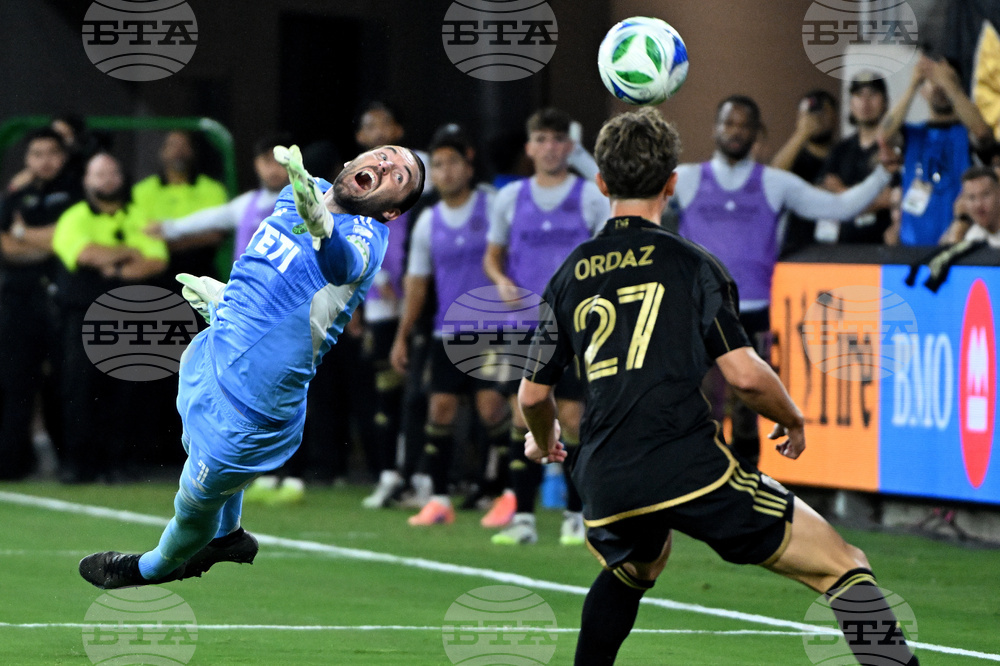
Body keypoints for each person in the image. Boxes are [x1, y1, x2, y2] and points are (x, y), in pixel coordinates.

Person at [519, 106, 918, 666]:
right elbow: (745, 376)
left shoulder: (570, 272)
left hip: (605, 476)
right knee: (844, 564)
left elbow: (533, 395)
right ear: (673, 183)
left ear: (602, 183)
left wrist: (543, 437)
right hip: (686, 465)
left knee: (636, 567)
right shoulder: (692, 265)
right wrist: (792, 417)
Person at [78, 142, 425, 589]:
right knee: (195, 443)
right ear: (352, 162)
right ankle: (229, 537)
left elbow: (338, 264)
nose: (387, 164)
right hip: (217, 353)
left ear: (392, 212)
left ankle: (150, 568)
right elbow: (265, 271)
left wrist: (321, 225)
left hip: (254, 406)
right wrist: (226, 300)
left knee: (193, 502)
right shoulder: (296, 193)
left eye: (400, 175)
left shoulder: (366, 237)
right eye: (387, 154)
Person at [674, 94, 892, 465]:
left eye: (744, 125)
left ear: (757, 133)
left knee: (746, 413)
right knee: (702, 410)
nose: (735, 132)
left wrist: (884, 174)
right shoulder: (688, 179)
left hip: (753, 314)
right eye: (729, 123)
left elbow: (839, 207)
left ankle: (744, 499)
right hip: (698, 312)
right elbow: (631, 196)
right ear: (715, 128)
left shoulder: (775, 183)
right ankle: (701, 495)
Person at [482, 107, 609, 545]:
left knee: (572, 417)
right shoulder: (510, 198)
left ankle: (577, 516)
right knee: (523, 416)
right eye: (542, 139)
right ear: (529, 147)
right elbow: (492, 255)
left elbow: (605, 254)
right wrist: (500, 283)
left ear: (570, 147)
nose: (550, 147)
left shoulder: (591, 196)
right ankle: (523, 519)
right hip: (525, 324)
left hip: (578, 326)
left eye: (558, 139)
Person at [387, 124, 510, 522]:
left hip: (492, 328)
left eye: (452, 162)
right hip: (447, 331)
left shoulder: (491, 207)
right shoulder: (428, 221)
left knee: (491, 408)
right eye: (437, 165)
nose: (445, 172)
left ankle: (502, 491)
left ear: (468, 166)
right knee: (439, 409)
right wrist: (402, 336)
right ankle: (439, 499)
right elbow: (417, 284)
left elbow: (513, 258)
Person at [51, 152, 169, 483]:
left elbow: (156, 260)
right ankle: (78, 463)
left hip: (131, 312)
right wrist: (130, 253)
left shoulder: (141, 215)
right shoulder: (73, 216)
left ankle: (120, 462)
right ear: (87, 180)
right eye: (99, 174)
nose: (108, 179)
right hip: (83, 314)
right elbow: (84, 253)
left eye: (113, 172)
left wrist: (112, 265)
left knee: (128, 389)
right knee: (80, 388)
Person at [0, 128, 82, 480]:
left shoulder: (78, 192)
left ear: (62, 157)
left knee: (65, 383)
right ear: (27, 160)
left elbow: (71, 236)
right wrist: (49, 241)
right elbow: (5, 246)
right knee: (16, 383)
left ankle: (70, 465)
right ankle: (14, 465)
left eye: (51, 153)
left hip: (63, 300)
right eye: (36, 153)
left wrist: (23, 235)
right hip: (19, 301)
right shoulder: (16, 196)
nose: (43, 160)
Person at [881, 53, 996, 246]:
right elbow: (884, 136)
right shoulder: (913, 134)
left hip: (959, 244)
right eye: (931, 82)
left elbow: (983, 133)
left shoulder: (966, 133)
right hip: (910, 247)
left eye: (943, 81)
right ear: (922, 91)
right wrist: (913, 85)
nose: (938, 87)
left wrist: (950, 85)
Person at [152, 133, 292, 264]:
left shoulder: (307, 203)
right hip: (244, 289)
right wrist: (168, 228)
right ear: (257, 164)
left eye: (281, 162)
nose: (274, 169)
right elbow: (209, 218)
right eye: (267, 161)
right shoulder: (246, 204)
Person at [132, 130, 229, 278]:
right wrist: (193, 237)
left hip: (201, 270)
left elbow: (216, 234)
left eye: (184, 146)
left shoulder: (213, 189)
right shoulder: (141, 191)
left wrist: (167, 243)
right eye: (172, 146)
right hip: (155, 273)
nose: (178, 152)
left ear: (193, 152)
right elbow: (138, 233)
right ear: (162, 152)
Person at [817, 72, 895, 245]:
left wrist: (843, 193)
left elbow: (892, 197)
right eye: (859, 95)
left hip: (883, 246)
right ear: (851, 103)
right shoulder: (840, 149)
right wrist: (873, 201)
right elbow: (824, 192)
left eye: (872, 95)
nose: (865, 103)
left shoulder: (895, 147)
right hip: (844, 247)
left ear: (885, 101)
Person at [770, 89, 839, 254]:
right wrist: (802, 133)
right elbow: (772, 178)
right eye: (810, 114)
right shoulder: (794, 156)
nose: (817, 119)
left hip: (842, 248)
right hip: (797, 247)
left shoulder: (844, 152)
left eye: (822, 113)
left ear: (835, 116)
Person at [943, 166, 1000, 247]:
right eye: (971, 197)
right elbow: (946, 255)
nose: (978, 204)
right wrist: (961, 219)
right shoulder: (973, 236)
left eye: (985, 195)